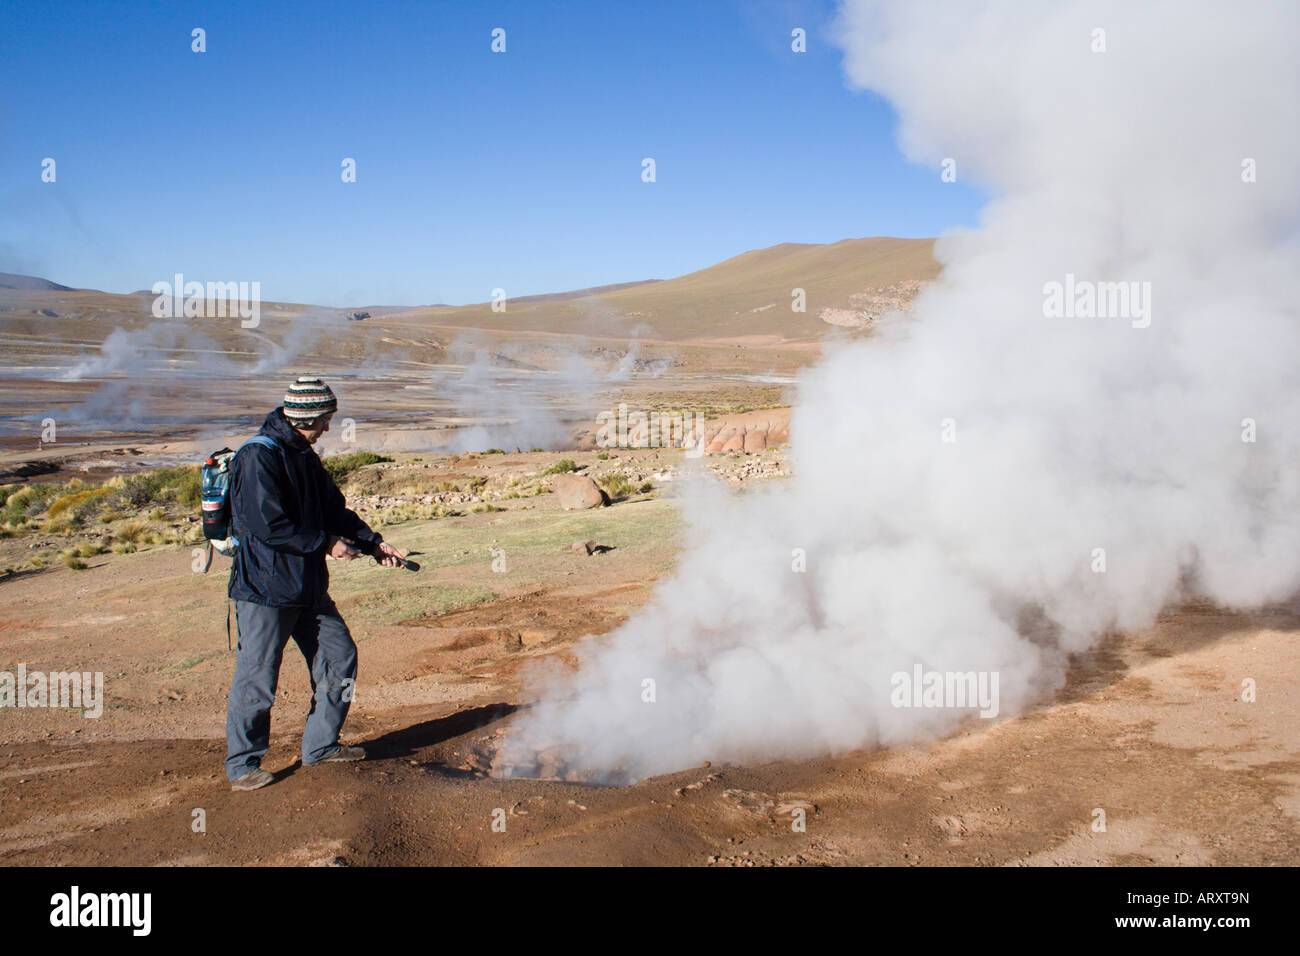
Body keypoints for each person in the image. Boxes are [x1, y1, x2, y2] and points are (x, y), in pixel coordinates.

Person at [224, 376, 406, 791]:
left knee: (340, 658)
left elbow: (333, 510)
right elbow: (266, 525)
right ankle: (243, 764)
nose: (328, 428)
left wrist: (374, 543)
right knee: (257, 677)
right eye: (326, 420)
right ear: (308, 417)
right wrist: (325, 544)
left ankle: (321, 746)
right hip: (266, 589)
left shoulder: (304, 456)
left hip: (307, 586)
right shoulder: (258, 457)